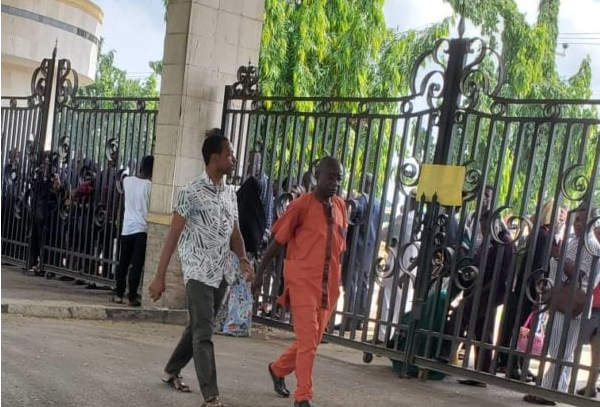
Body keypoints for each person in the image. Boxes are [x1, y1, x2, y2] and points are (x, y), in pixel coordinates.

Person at [148, 130, 254, 407]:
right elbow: (172, 237)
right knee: (204, 333)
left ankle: (171, 370)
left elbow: (236, 235)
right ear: (214, 157)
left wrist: (243, 259)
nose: (233, 158)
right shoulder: (190, 193)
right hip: (196, 271)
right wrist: (159, 277)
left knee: (198, 325)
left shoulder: (230, 194)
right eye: (229, 154)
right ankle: (211, 396)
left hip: (221, 272)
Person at [257, 156, 347, 407]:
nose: (335, 183)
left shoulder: (340, 206)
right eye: (330, 177)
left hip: (328, 286)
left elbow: (340, 247)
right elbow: (277, 241)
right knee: (308, 341)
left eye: (339, 178)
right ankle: (303, 397)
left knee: (311, 341)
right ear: (317, 176)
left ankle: (277, 369)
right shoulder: (301, 205)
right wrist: (260, 273)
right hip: (302, 283)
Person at [524, 205, 600, 405]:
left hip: (574, 303)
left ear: (592, 223)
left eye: (582, 221)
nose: (577, 225)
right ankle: (551, 388)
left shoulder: (594, 247)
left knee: (564, 349)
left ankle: (550, 391)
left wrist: (560, 257)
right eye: (575, 220)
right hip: (559, 298)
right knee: (555, 345)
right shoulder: (573, 241)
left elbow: (582, 276)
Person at [339, 173, 380, 332]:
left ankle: (348, 320)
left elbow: (350, 217)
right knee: (363, 284)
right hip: (369, 251)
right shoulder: (377, 203)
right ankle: (361, 319)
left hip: (357, 248)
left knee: (351, 283)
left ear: (363, 183)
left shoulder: (361, 201)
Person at [112, 156, 154, 306]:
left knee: (123, 262)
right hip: (142, 229)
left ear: (141, 166)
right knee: (136, 264)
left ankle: (118, 293)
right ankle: (132, 295)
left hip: (126, 228)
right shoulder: (149, 186)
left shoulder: (128, 181)